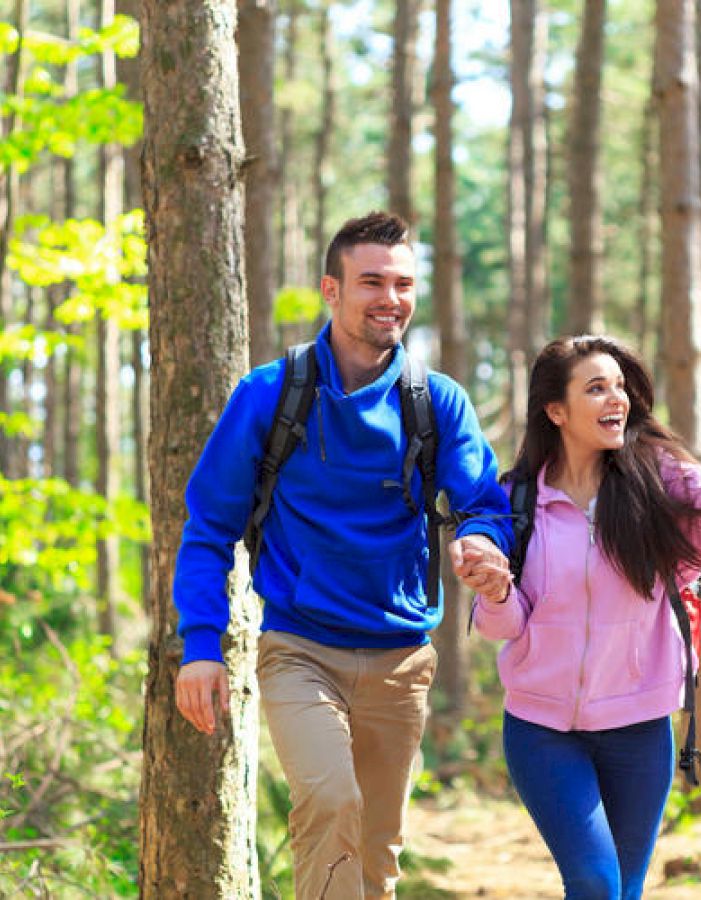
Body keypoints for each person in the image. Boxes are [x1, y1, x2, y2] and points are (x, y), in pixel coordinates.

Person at [172, 211, 512, 900]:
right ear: (332, 289)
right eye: (372, 282)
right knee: (330, 804)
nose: (392, 298)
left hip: (401, 657)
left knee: (377, 853)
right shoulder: (271, 393)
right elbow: (209, 525)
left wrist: (481, 541)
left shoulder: (435, 400)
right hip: (300, 648)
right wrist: (201, 643)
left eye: (404, 283)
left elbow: (482, 501)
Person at [465, 335, 701, 899]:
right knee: (594, 881)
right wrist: (495, 593)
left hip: (638, 729)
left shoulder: (659, 482)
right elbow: (504, 625)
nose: (616, 398)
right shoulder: (517, 499)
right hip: (542, 730)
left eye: (619, 386)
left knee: (624, 891)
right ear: (556, 410)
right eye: (596, 388)